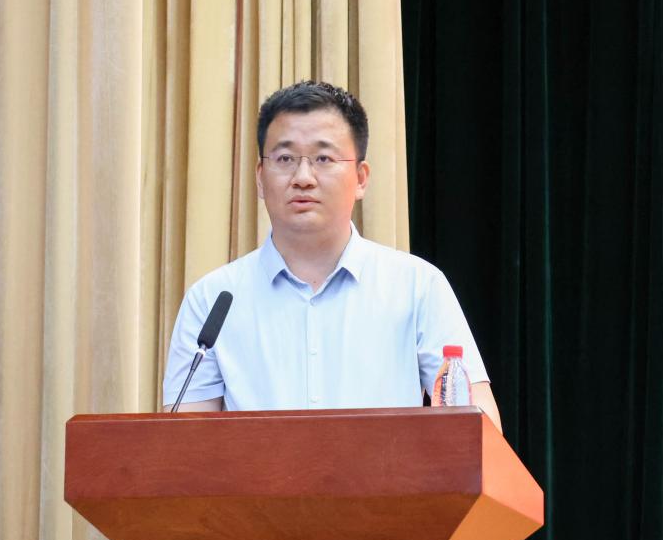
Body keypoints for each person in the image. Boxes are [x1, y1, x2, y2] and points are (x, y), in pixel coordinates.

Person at [162, 80, 502, 431]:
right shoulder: (213, 300)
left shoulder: (418, 287)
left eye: (323, 158)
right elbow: (184, 444)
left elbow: (481, 431)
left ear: (361, 178)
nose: (303, 177)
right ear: (261, 178)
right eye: (285, 159)